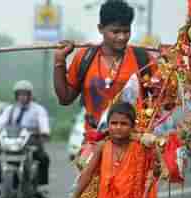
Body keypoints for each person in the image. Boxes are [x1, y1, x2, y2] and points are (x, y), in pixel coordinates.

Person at [53, 0, 155, 132]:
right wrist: (59, 61)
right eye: (115, 32)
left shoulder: (144, 59)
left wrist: (171, 65)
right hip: (93, 140)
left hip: (134, 142)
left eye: (126, 31)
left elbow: (165, 102)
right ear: (100, 28)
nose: (122, 37)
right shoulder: (84, 57)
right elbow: (65, 98)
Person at [70, 102, 159, 198]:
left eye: (124, 124)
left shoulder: (141, 148)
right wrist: (75, 197)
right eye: (114, 123)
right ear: (108, 125)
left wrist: (155, 153)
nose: (118, 127)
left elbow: (155, 173)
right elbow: (87, 174)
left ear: (133, 126)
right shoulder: (102, 147)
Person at [0, 80, 51, 198]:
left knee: (44, 157)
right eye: (20, 94)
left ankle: (41, 188)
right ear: (16, 95)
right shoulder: (10, 109)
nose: (22, 97)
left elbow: (43, 123)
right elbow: (0, 123)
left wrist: (44, 132)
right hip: (12, 141)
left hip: (31, 141)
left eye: (25, 94)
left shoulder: (38, 110)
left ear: (30, 95)